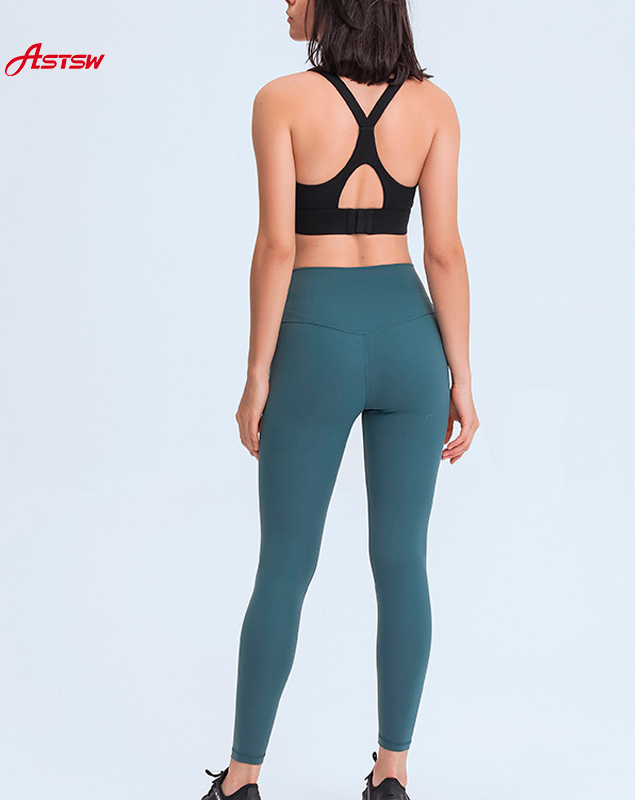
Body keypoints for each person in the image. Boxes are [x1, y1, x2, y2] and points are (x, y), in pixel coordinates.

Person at [201, 1, 478, 798]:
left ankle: (241, 781)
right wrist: (461, 377)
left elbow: (276, 246)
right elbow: (445, 252)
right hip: (409, 338)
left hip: (314, 336)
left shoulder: (281, 100)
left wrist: (257, 373)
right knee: (403, 560)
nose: (286, 2)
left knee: (286, 563)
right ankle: (392, 775)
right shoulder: (434, 106)